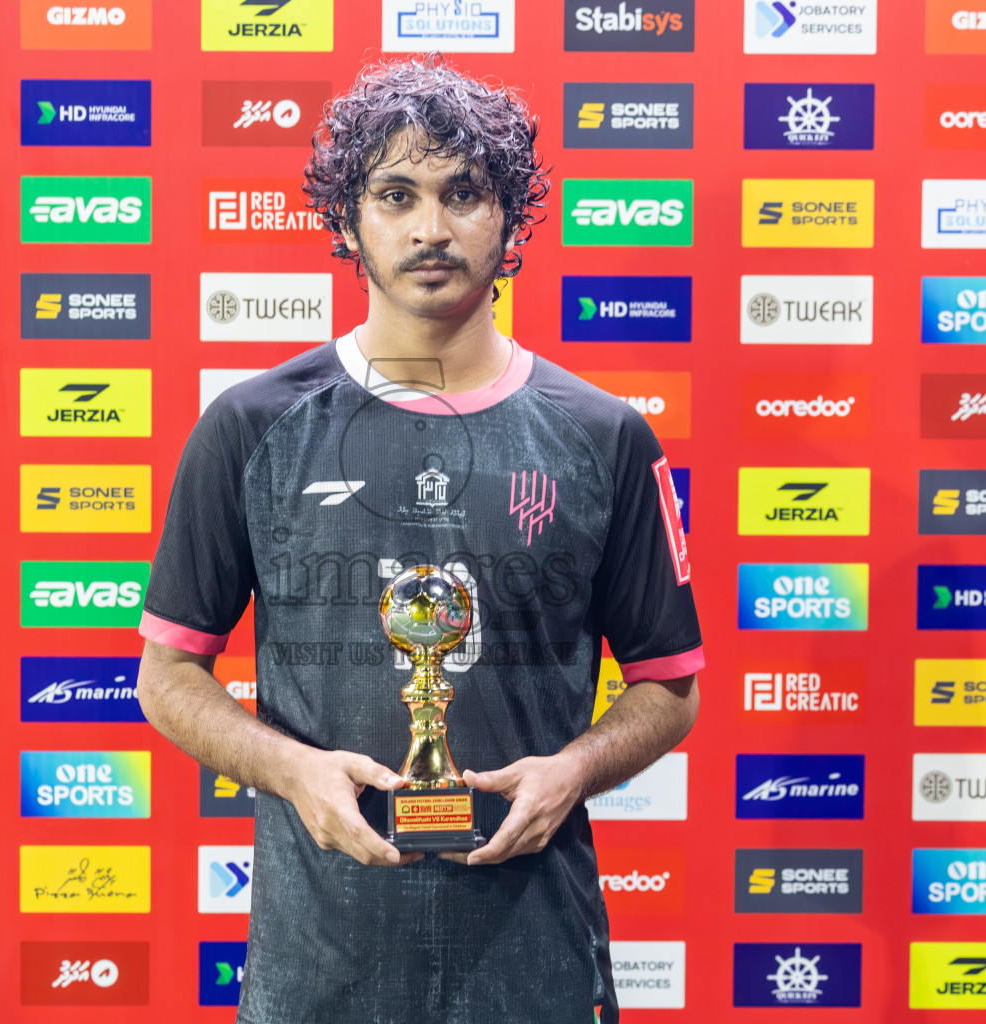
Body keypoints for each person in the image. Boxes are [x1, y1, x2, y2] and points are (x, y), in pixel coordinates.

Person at [137, 54, 703, 1024]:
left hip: (538, 966)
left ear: (512, 216)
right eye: (396, 194)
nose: (431, 228)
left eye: (464, 193)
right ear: (349, 218)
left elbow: (669, 686)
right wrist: (290, 768)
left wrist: (571, 770)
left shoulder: (605, 436)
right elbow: (166, 676)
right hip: (321, 970)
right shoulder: (250, 426)